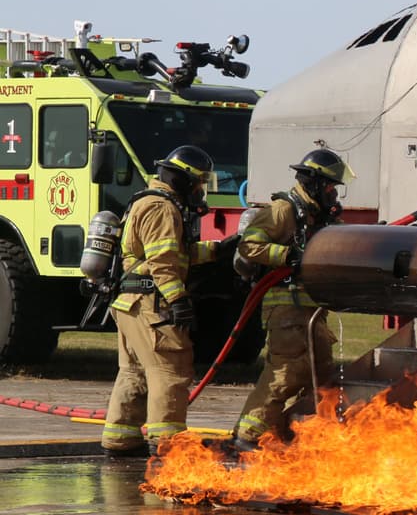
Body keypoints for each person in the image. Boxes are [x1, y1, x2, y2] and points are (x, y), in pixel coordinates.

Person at [101, 145, 236, 457]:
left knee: (134, 373)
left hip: (130, 302)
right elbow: (163, 261)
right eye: (199, 183)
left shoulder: (146, 200)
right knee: (170, 371)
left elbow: (173, 254)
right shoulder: (162, 208)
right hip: (152, 305)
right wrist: (178, 300)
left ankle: (120, 439)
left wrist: (217, 250)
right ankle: (168, 447)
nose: (201, 191)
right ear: (185, 181)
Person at [231, 147, 353, 451]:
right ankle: (246, 437)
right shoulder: (284, 210)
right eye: (329, 187)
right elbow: (250, 244)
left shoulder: (319, 216)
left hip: (312, 314)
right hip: (285, 310)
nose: (333, 195)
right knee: (286, 374)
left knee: (322, 377)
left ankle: (308, 438)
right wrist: (290, 255)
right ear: (313, 183)